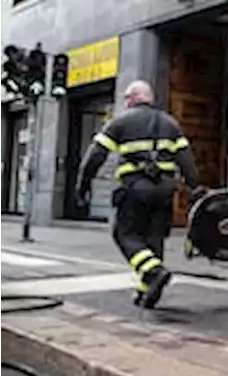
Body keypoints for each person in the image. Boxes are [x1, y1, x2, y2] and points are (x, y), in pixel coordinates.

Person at [74, 80, 208, 309]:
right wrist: (195, 188)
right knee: (154, 238)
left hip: (135, 188)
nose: (125, 101)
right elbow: (187, 160)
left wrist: (83, 184)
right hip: (165, 191)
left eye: (127, 97)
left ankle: (152, 272)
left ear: (135, 97)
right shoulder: (171, 124)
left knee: (125, 234)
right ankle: (147, 291)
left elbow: (95, 155)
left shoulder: (120, 122)